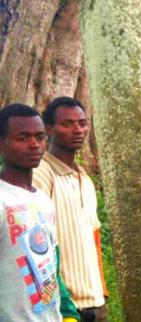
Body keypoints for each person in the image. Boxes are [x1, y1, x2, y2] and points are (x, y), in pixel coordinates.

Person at [0, 103, 79, 322]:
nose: (34, 144)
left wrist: (69, 314)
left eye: (40, 137)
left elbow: (52, 263)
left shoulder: (42, 200)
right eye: (22, 138)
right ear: (1, 143)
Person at [33, 97, 108, 322]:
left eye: (82, 123)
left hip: (95, 306)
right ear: (49, 130)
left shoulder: (84, 177)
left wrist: (101, 292)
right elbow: (35, 246)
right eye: (67, 124)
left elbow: (94, 237)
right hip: (63, 308)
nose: (78, 130)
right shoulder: (40, 173)